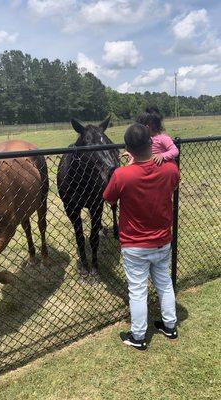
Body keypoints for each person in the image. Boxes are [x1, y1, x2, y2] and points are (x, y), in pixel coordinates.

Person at [103, 123, 180, 351]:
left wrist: (130, 166)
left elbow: (108, 198)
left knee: (137, 290)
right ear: (151, 143)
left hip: (134, 244)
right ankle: (170, 326)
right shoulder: (170, 169)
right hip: (163, 240)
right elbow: (174, 185)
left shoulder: (122, 174)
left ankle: (138, 336)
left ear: (128, 148)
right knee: (164, 283)